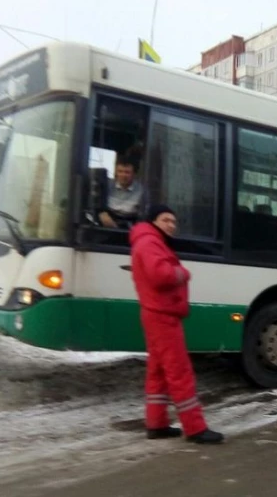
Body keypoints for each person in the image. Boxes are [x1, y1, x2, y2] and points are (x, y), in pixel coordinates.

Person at [129, 204, 224, 444]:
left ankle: (157, 424)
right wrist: (182, 273)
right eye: (165, 220)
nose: (171, 225)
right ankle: (195, 428)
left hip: (156, 313)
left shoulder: (147, 240)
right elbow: (161, 275)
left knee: (158, 372)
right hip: (162, 315)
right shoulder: (150, 242)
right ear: (153, 222)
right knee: (179, 371)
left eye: (174, 221)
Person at [100, 156, 147, 228]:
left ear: (134, 174)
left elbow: (143, 216)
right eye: (120, 171)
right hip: (106, 224)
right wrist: (102, 213)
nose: (123, 175)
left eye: (127, 172)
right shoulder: (107, 185)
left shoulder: (142, 192)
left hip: (128, 227)